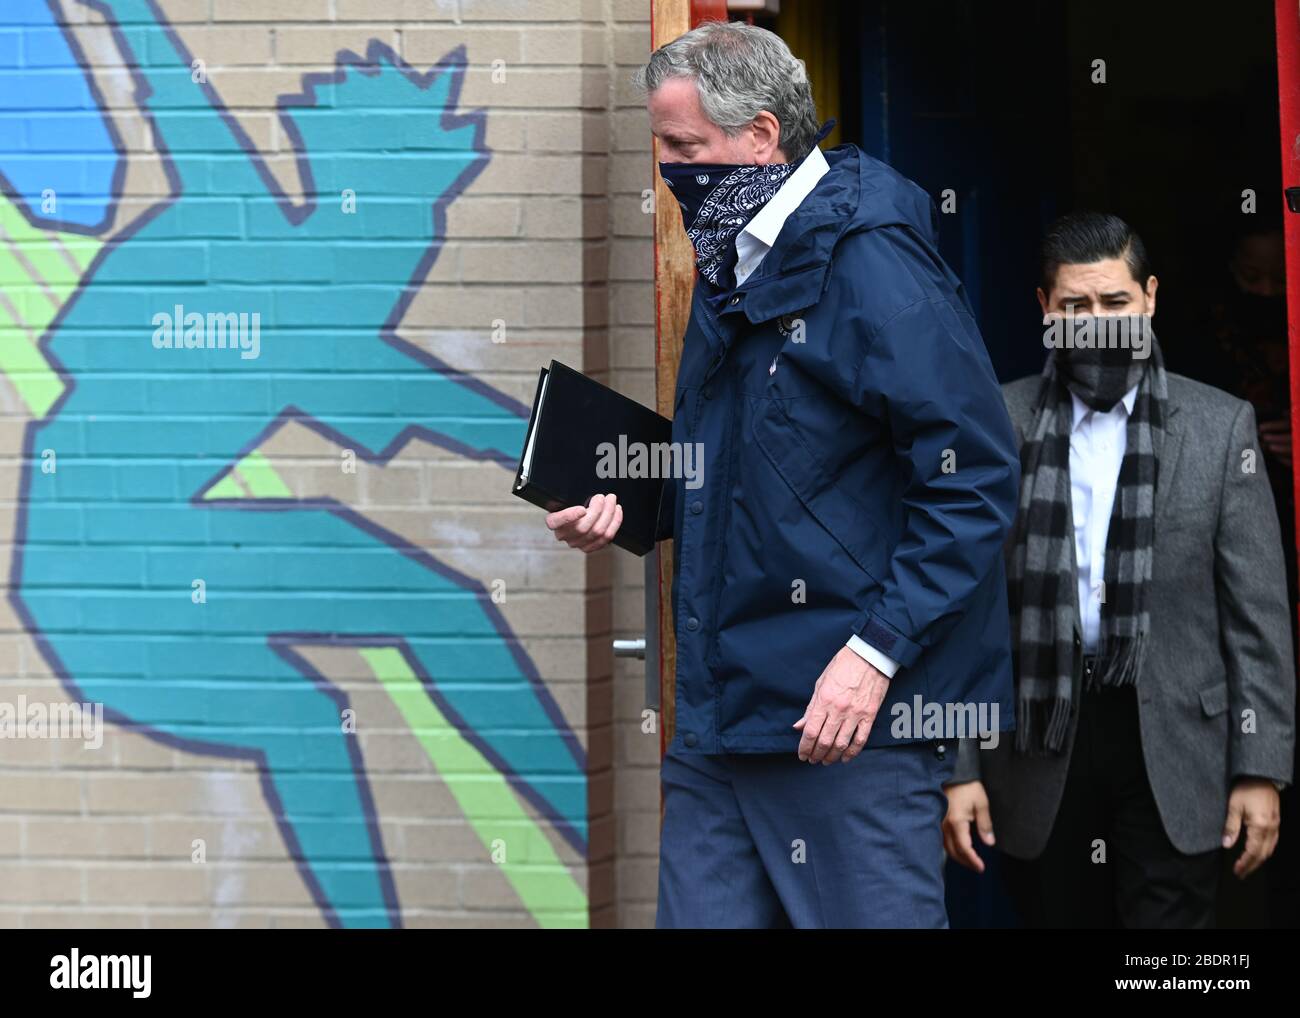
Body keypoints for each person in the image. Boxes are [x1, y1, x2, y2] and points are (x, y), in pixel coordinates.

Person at [545, 20, 1019, 928]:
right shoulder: (738, 253)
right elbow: (759, 470)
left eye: (684, 149)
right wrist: (621, 496)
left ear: (760, 137)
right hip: (721, 726)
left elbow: (975, 479)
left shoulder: (876, 266)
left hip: (847, 735)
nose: (669, 173)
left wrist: (874, 655)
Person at [942, 211, 1296, 928]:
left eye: (1114, 303)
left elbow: (1257, 615)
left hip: (1178, 743)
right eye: (1075, 307)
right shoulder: (995, 424)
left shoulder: (1220, 427)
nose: (1097, 323)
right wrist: (958, 769)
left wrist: (1261, 767)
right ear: (1045, 310)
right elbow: (962, 611)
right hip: (1039, 742)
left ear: (1151, 299)